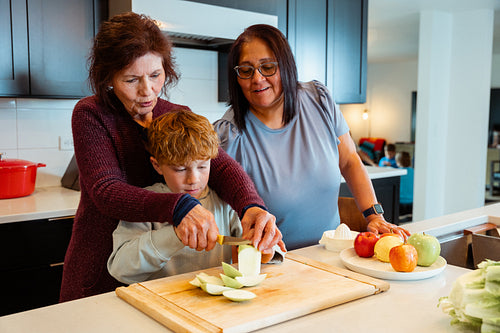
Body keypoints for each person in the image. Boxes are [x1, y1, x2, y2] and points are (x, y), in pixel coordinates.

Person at [60, 13, 284, 302]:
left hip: (159, 283)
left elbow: (221, 166)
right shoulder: (91, 113)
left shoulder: (176, 113)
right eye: (131, 79)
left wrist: (251, 207)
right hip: (104, 260)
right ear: (109, 78)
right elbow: (107, 192)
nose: (147, 90)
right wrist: (179, 207)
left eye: (155, 75)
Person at [213, 24, 409, 250]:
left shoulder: (319, 100)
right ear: (236, 77)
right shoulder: (229, 135)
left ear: (285, 66)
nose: (257, 78)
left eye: (267, 67)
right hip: (274, 264)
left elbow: (349, 161)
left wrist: (374, 217)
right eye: (246, 70)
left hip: (333, 253)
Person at [107, 111, 281, 284]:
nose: (193, 180)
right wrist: (175, 235)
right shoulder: (144, 204)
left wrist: (264, 251)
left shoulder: (224, 202)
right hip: (164, 301)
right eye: (180, 169)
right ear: (157, 165)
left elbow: (262, 249)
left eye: (203, 166)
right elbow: (121, 269)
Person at [396, 151, 414, 218]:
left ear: (397, 162)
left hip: (399, 204)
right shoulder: (414, 172)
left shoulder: (396, 172)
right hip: (412, 204)